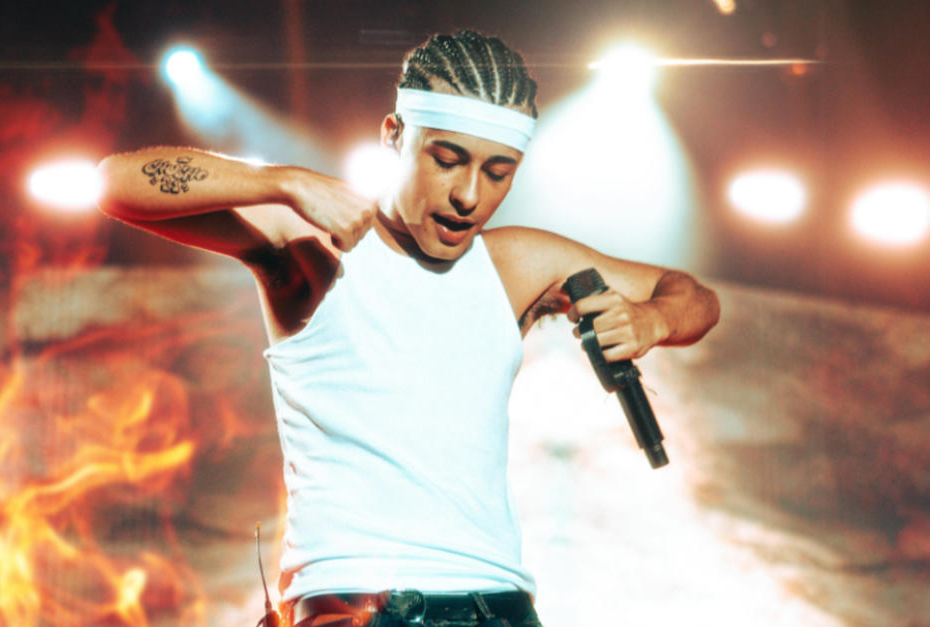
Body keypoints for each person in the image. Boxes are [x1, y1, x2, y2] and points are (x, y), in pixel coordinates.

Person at [97, 30, 719, 627]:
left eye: (498, 172)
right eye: (447, 160)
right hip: (361, 605)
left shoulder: (516, 264)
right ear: (394, 135)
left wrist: (653, 318)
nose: (469, 195)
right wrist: (282, 183)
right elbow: (116, 184)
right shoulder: (316, 244)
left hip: (502, 606)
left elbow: (694, 296)